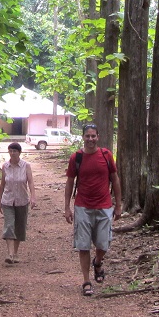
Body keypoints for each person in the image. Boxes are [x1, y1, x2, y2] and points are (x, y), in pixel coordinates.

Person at [63, 123, 122, 297]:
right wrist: (67, 207)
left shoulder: (106, 155)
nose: (90, 139)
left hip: (104, 206)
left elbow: (115, 179)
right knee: (83, 245)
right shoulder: (76, 158)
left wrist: (118, 204)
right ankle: (86, 281)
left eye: (93, 136)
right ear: (83, 137)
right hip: (82, 206)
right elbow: (69, 182)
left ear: (98, 137)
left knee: (103, 243)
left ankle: (98, 262)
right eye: (87, 136)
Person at [0, 141, 36, 264]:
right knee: (9, 225)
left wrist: (33, 197)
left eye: (15, 151)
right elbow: (2, 184)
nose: (13, 153)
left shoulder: (26, 166)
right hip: (7, 200)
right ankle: (9, 254)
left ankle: (15, 253)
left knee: (20, 227)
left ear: (19, 152)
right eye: (11, 151)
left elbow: (30, 182)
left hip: (22, 200)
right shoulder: (5, 166)